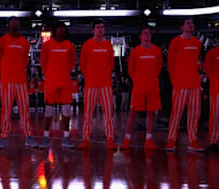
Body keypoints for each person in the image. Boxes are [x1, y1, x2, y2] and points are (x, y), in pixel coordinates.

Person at [0, 17, 37, 149]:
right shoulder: (2, 41)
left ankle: (28, 136)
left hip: (21, 81)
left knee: (25, 109)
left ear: (19, 26)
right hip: (6, 81)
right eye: (12, 24)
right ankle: (4, 136)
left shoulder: (24, 42)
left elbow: (25, 60)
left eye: (16, 24)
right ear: (9, 26)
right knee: (6, 110)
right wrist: (2, 71)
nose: (14, 26)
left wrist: (19, 70)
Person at [120, 27, 163, 150]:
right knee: (133, 113)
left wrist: (151, 78)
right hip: (139, 87)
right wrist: (138, 81)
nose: (147, 35)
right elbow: (131, 69)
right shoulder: (135, 51)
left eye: (149, 33)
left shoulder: (157, 50)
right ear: (140, 36)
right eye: (145, 33)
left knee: (151, 113)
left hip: (153, 87)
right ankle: (127, 139)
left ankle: (148, 140)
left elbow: (159, 67)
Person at [165, 18, 203, 151]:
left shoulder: (197, 42)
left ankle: (193, 140)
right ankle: (171, 139)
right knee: (176, 113)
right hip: (180, 84)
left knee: (194, 113)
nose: (191, 25)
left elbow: (196, 61)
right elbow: (170, 63)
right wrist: (173, 81)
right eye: (188, 23)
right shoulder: (176, 41)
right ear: (182, 27)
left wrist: (199, 69)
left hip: (195, 84)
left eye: (192, 23)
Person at [78, 19, 117, 150]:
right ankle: (85, 139)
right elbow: (82, 65)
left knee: (108, 113)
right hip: (91, 84)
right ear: (93, 29)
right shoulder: (87, 45)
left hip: (106, 84)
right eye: (98, 27)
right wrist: (90, 76)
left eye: (102, 27)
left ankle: (110, 139)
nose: (100, 29)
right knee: (88, 113)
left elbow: (112, 63)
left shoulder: (108, 45)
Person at [39, 22, 76, 149]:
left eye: (63, 30)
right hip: (51, 82)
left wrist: (64, 73)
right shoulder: (47, 45)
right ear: (55, 31)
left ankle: (66, 137)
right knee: (48, 109)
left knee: (66, 109)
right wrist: (49, 75)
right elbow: (43, 62)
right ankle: (45, 136)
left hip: (65, 81)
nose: (61, 31)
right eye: (59, 29)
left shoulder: (70, 45)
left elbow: (72, 62)